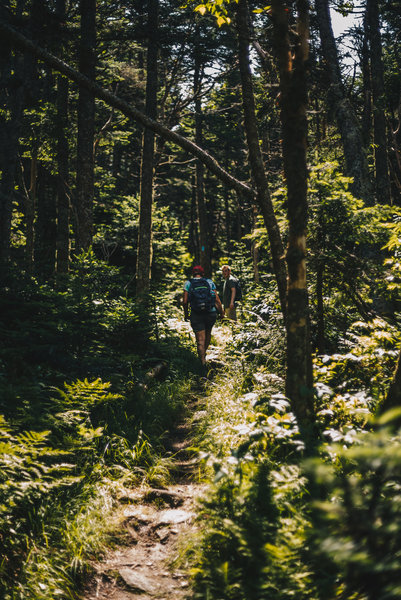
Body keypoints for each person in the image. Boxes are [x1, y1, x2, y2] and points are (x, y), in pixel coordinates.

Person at [183, 265, 223, 367]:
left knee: (200, 339)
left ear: (193, 273)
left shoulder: (188, 283)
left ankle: (202, 362)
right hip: (210, 313)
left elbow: (185, 301)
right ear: (203, 273)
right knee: (208, 333)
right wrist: (221, 312)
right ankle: (204, 353)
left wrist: (186, 314)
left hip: (196, 314)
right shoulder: (209, 282)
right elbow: (217, 299)